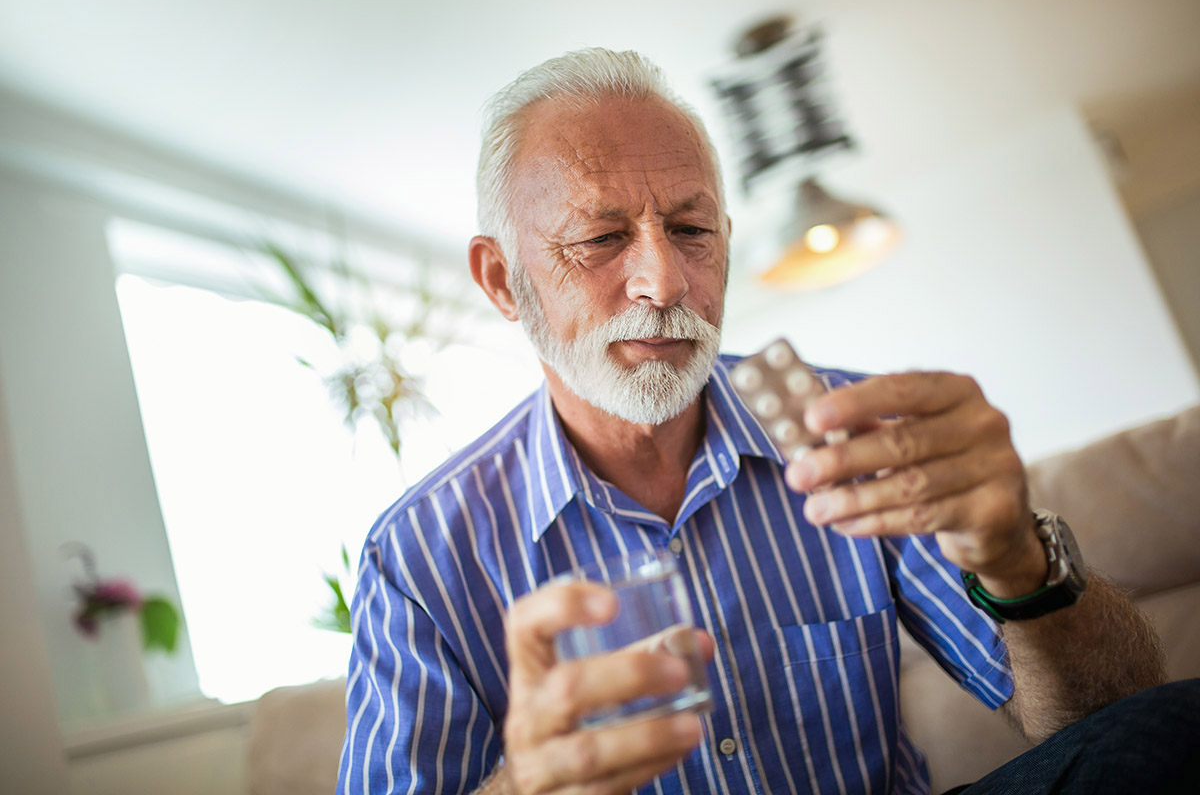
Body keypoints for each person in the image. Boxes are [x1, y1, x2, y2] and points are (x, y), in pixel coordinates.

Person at [336, 48, 1193, 795]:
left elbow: (1100, 724)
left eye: (690, 227)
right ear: (500, 280)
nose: (664, 282)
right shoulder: (417, 560)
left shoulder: (851, 432)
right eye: (600, 239)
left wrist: (1019, 560)